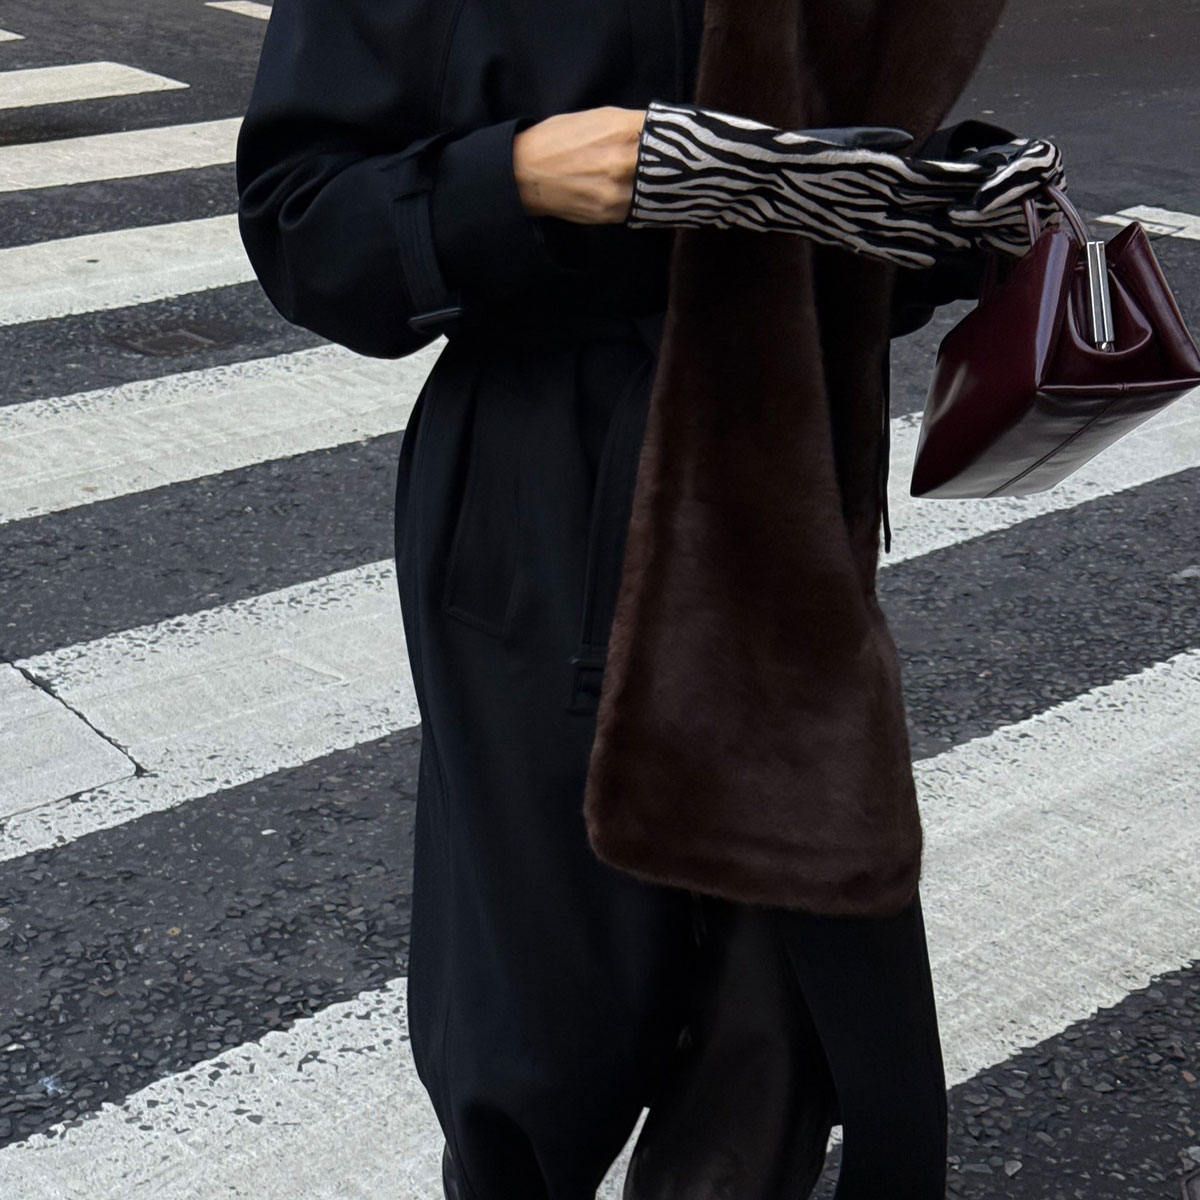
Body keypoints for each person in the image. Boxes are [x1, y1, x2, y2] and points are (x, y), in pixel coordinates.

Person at [236, 2, 1046, 1195]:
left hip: (784, 508)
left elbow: (843, 230)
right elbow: (305, 226)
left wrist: (947, 212)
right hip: (544, 507)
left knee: (773, 1021)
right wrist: (518, 179)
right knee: (542, 1037)